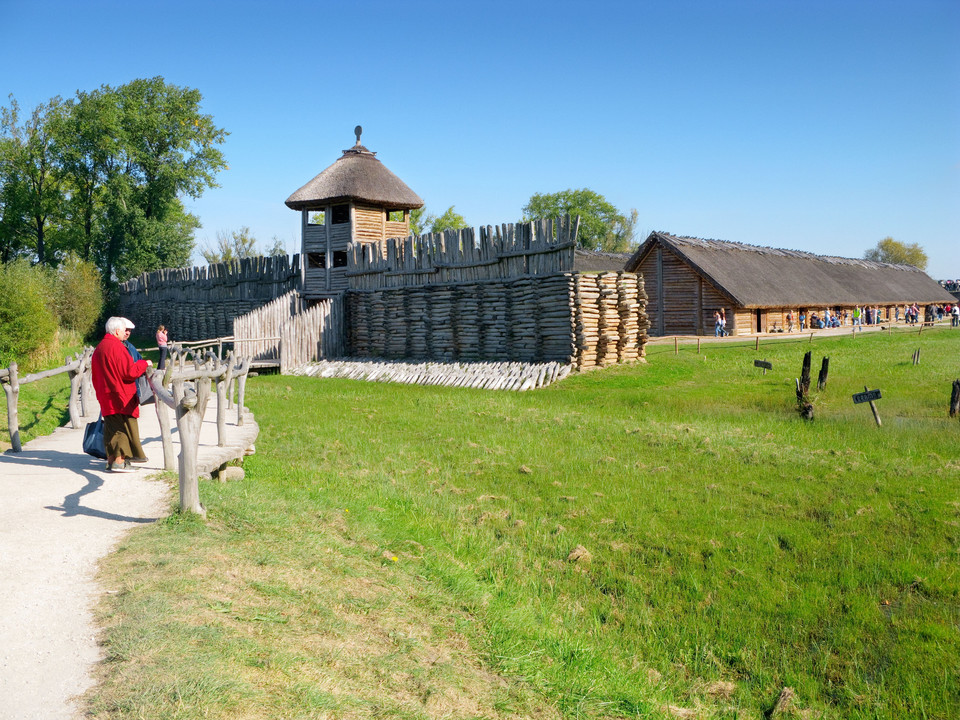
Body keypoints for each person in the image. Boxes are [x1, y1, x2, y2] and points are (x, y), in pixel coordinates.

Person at [91, 317, 152, 472]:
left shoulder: (100, 348)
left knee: (111, 427)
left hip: (106, 393)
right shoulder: (116, 347)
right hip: (120, 395)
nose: (126, 332)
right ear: (117, 330)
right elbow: (129, 372)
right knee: (122, 428)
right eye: (124, 329)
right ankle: (119, 462)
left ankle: (111, 461)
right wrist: (144, 364)